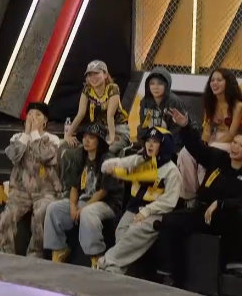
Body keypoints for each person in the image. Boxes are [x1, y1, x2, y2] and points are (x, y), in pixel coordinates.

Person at [156, 108, 242, 285]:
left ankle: (234, 264)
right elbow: (196, 148)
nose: (235, 147)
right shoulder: (219, 158)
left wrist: (221, 203)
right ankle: (171, 273)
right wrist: (185, 126)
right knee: (170, 220)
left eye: (241, 146)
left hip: (227, 217)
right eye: (234, 142)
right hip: (203, 211)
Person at [97, 127, 182, 274]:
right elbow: (123, 163)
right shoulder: (140, 160)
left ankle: (107, 261)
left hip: (156, 211)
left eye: (155, 142)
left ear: (164, 146)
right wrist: (111, 166)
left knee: (135, 231)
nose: (150, 145)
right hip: (134, 207)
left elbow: (169, 201)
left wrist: (147, 211)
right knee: (121, 231)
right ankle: (114, 270)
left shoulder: (171, 171)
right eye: (148, 141)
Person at [43, 124, 122, 267]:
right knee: (53, 208)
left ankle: (96, 257)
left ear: (99, 141)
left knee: (87, 212)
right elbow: (74, 186)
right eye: (85, 137)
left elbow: (103, 191)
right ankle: (59, 249)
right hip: (83, 201)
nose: (86, 141)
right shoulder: (80, 155)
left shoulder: (107, 159)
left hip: (107, 203)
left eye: (91, 138)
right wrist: (73, 206)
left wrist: (82, 208)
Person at [0, 102, 62, 257]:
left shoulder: (52, 139)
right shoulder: (18, 138)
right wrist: (26, 134)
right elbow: (14, 156)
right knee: (7, 216)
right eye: (30, 114)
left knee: (41, 213)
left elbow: (45, 156)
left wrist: (35, 135)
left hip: (45, 191)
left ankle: (35, 253)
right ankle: (3, 251)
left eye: (38, 115)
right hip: (20, 191)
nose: (33, 118)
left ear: (45, 121)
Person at [176, 68, 242, 202]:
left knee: (206, 157)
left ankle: (205, 196)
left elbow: (231, 134)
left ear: (228, 82)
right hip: (213, 139)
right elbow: (206, 129)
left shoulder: (238, 105)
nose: (214, 83)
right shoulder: (210, 103)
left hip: (231, 142)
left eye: (219, 80)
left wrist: (209, 147)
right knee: (185, 153)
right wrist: (203, 143)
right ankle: (190, 196)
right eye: (212, 80)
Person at [62, 60, 131, 187]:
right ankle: (73, 187)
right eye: (90, 74)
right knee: (68, 149)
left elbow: (110, 116)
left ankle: (102, 187)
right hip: (99, 130)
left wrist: (111, 138)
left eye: (96, 73)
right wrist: (68, 134)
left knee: (106, 150)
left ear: (105, 74)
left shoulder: (113, 88)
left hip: (118, 128)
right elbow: (80, 114)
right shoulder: (87, 90)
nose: (93, 77)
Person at [136, 67, 188, 149]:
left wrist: (164, 145)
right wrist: (147, 144)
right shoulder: (145, 101)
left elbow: (177, 130)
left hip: (171, 145)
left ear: (166, 85)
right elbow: (143, 126)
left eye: (160, 83)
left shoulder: (175, 102)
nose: (155, 87)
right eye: (152, 83)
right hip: (151, 142)